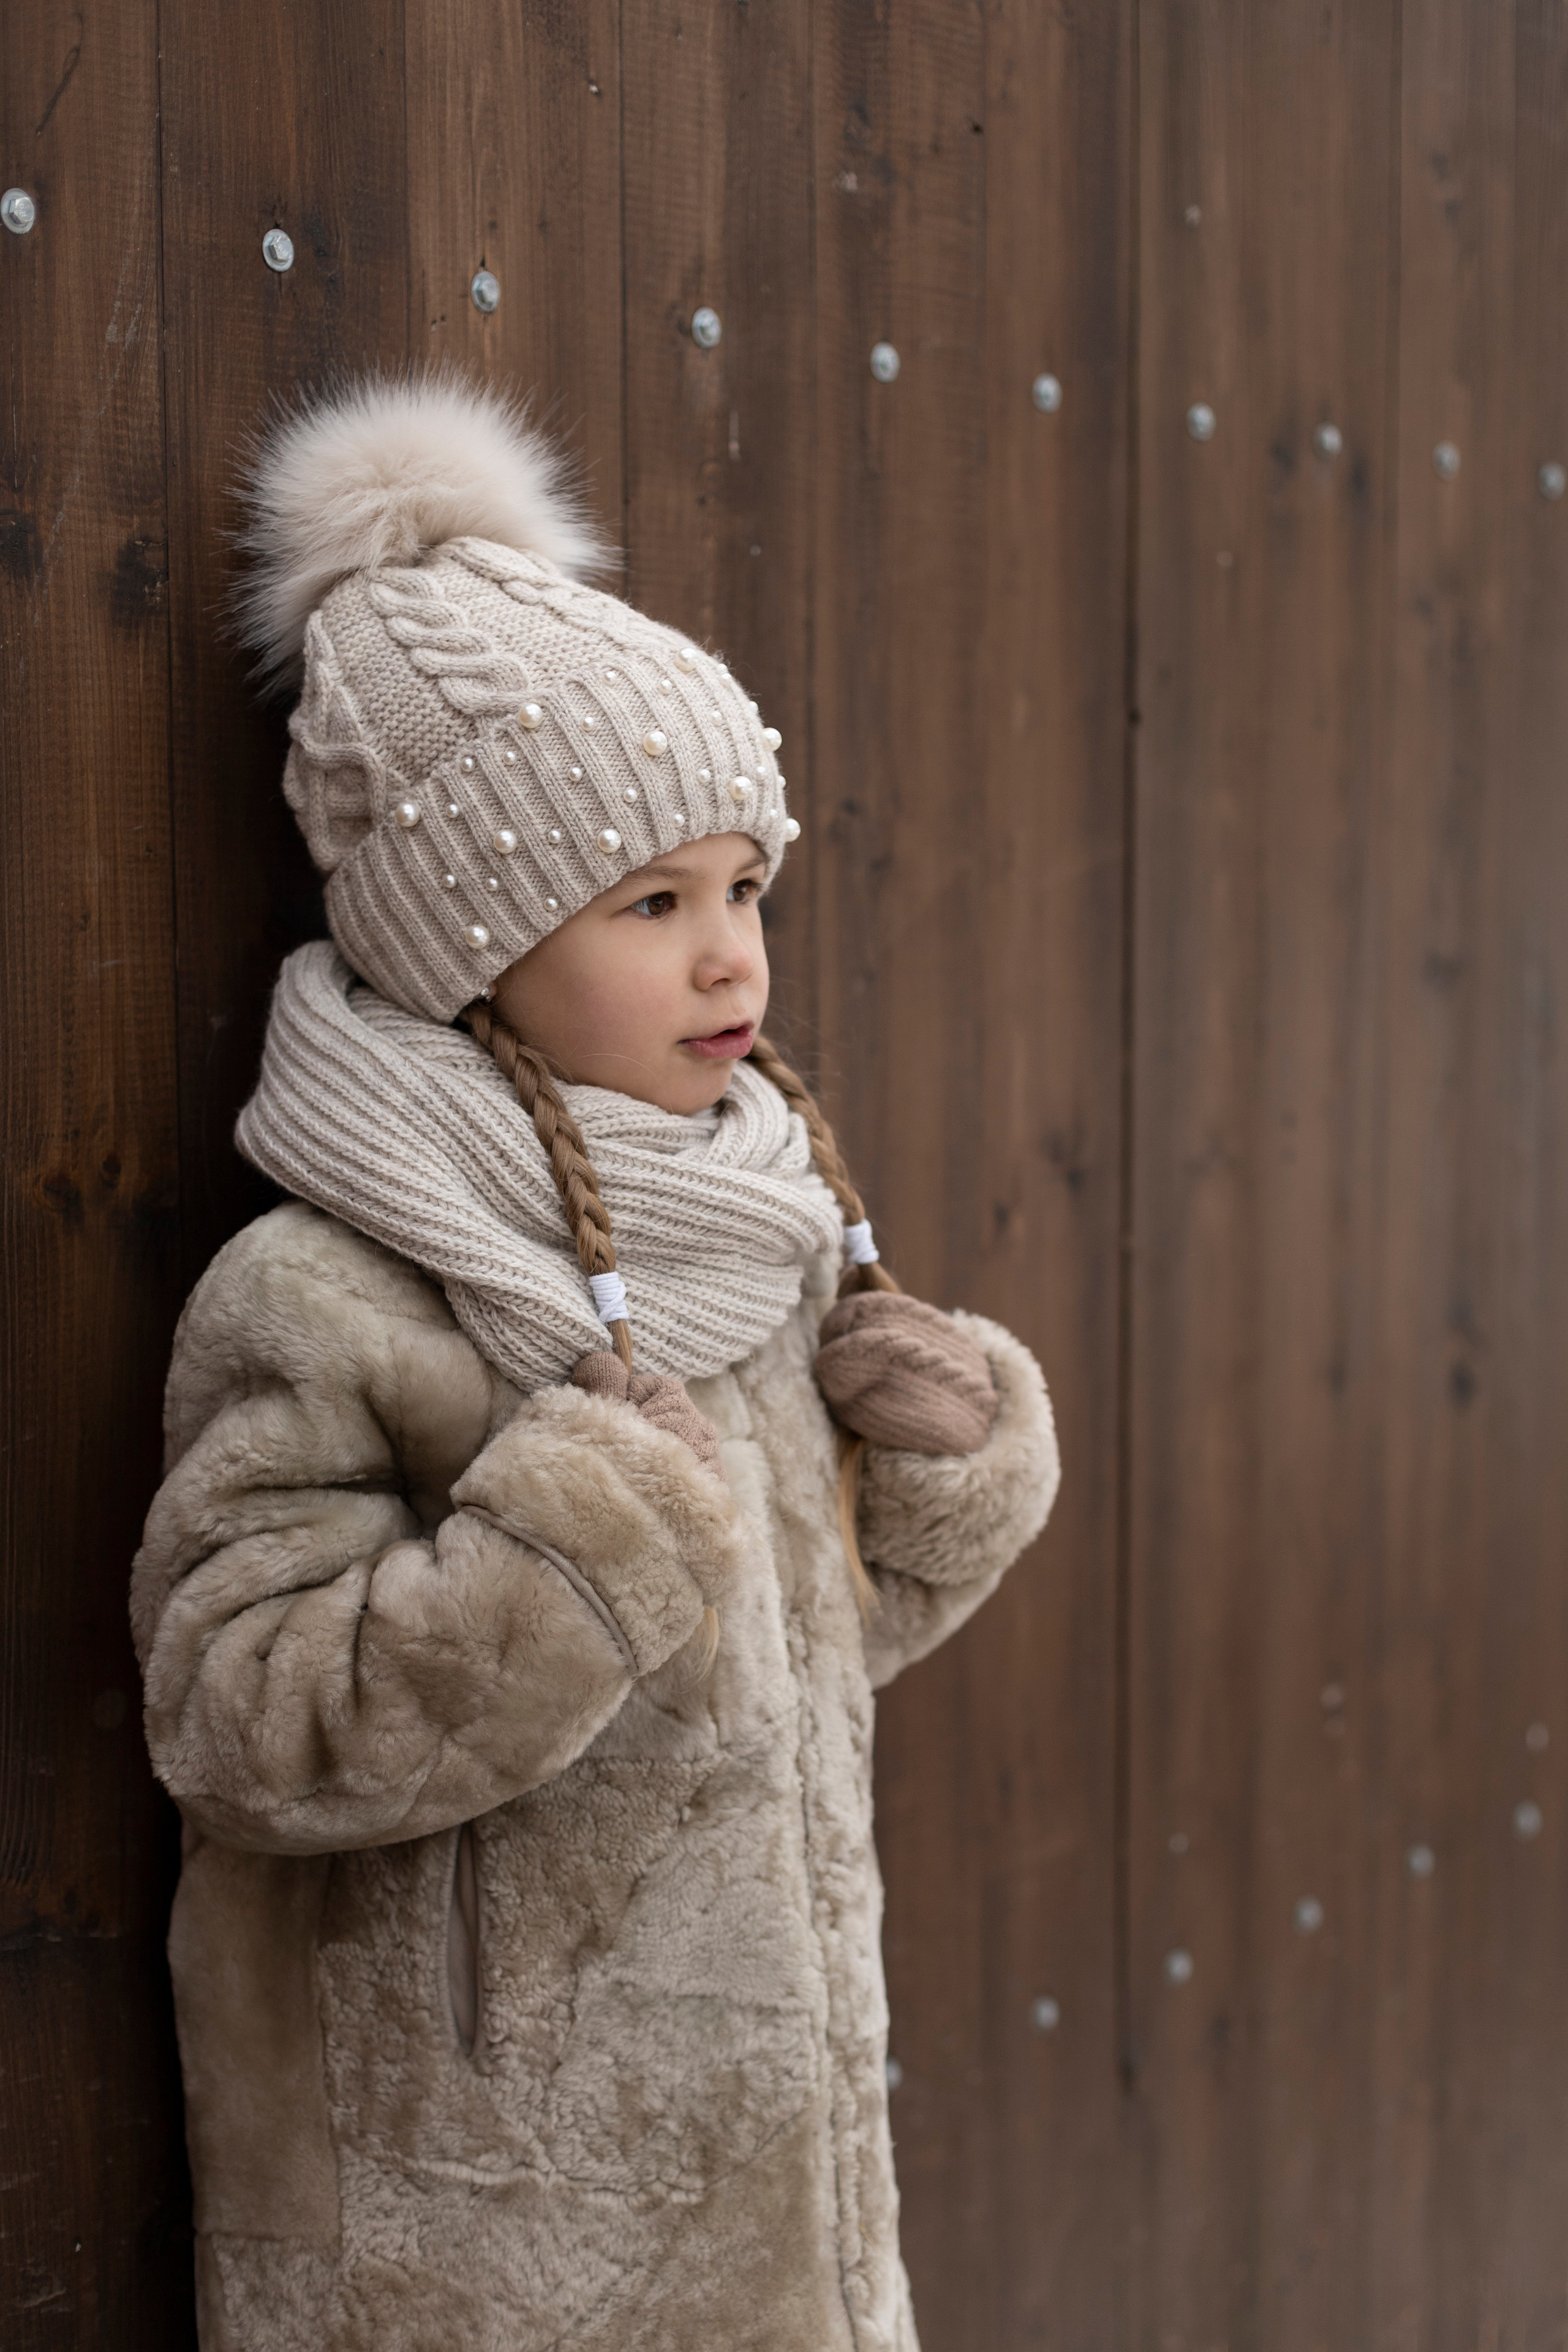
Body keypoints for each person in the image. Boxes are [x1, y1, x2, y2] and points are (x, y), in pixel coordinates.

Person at [131, 373, 1060, 2351]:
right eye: (654, 904)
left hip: (771, 2196)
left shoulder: (749, 1234)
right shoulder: (334, 1290)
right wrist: (568, 1546)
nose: (735, 957)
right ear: (474, 944)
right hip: (464, 2227)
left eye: (745, 889)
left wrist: (937, 1479)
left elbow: (784, 1649)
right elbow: (237, 1717)